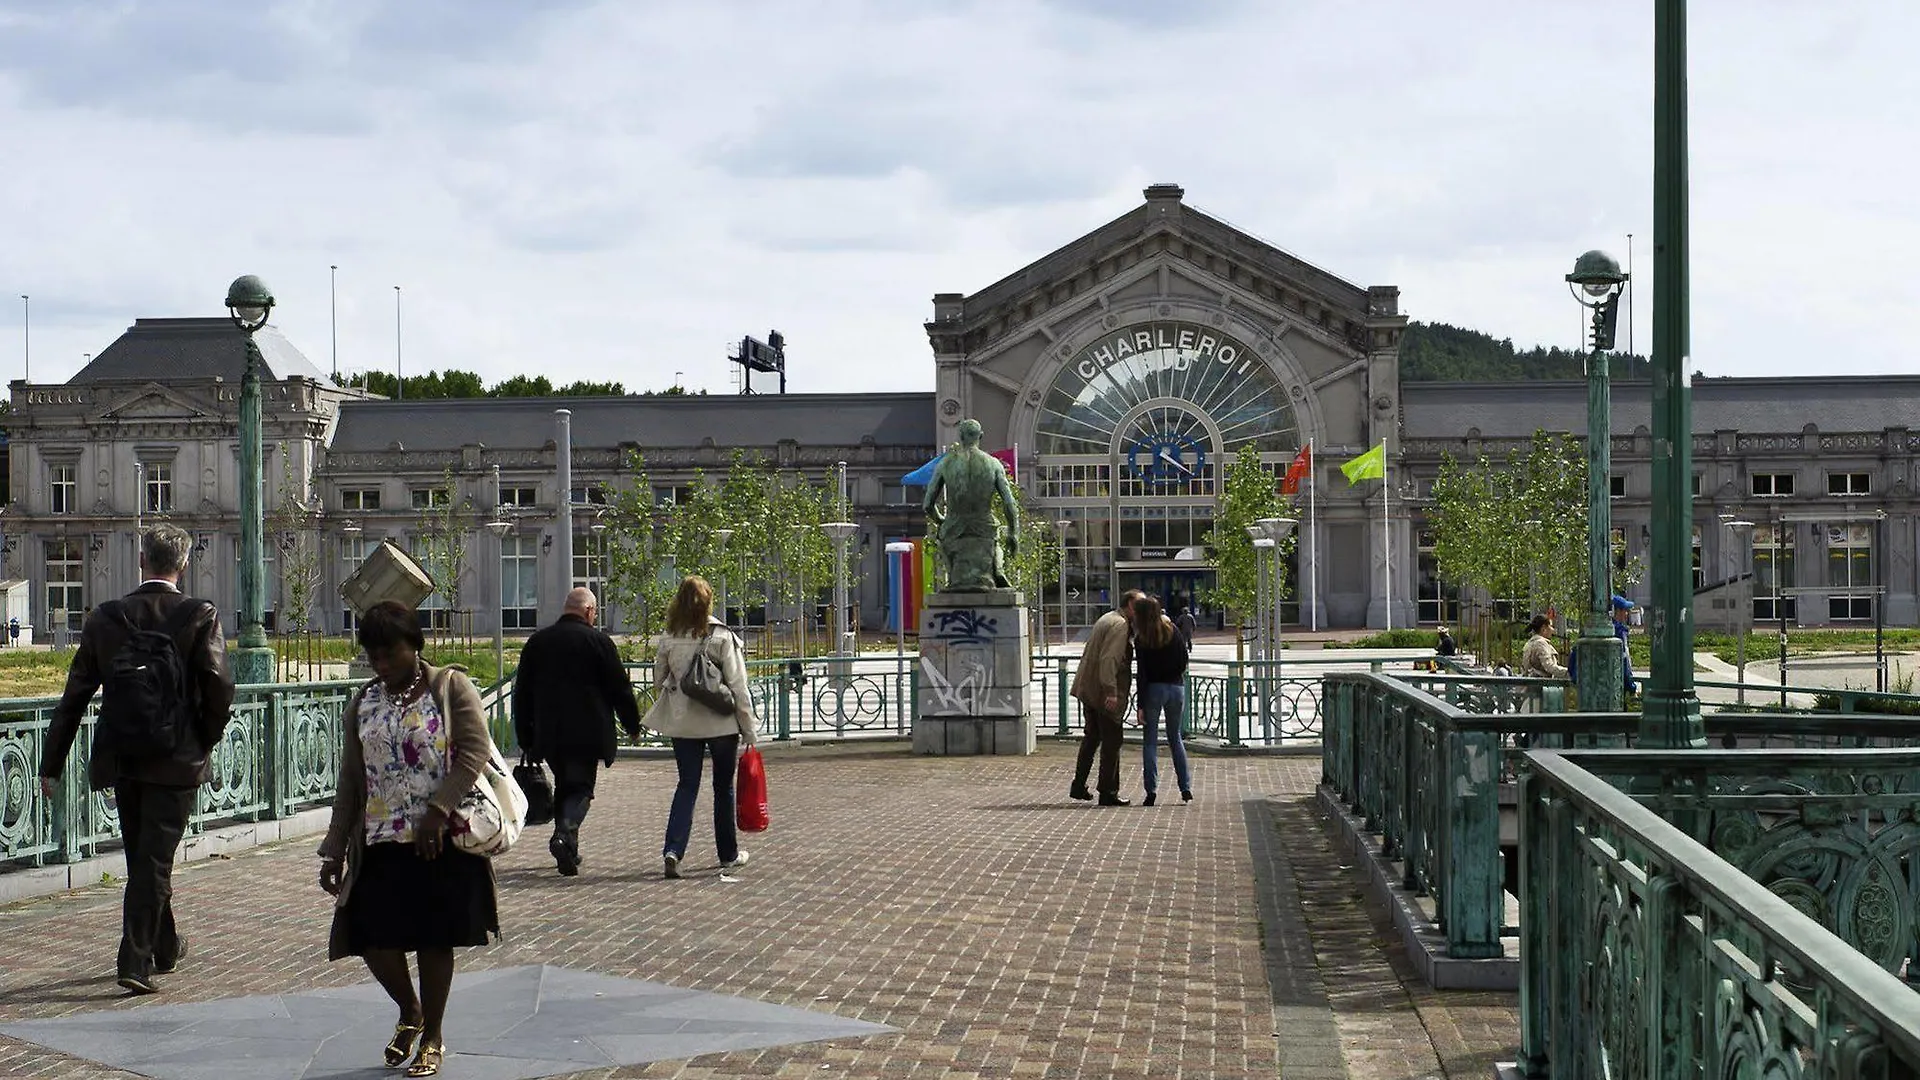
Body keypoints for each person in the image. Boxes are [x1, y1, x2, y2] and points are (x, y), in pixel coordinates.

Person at [39, 524, 234, 996]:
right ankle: (135, 959)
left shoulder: (106, 618)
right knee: (152, 862)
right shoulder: (198, 615)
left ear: (141, 560)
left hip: (124, 756)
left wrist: (52, 762)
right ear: (183, 566)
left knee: (145, 859)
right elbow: (219, 689)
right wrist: (199, 741)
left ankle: (165, 947)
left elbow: (75, 695)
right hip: (175, 761)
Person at [317, 601, 499, 1078]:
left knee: (434, 939)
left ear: (414, 645)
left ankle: (434, 1035)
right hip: (379, 839)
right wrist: (334, 850)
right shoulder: (364, 702)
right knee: (372, 937)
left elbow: (475, 750)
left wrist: (439, 809)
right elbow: (352, 782)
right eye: (374, 655)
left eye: (390, 652)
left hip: (438, 839)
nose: (382, 664)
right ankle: (410, 1011)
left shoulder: (449, 687)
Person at [512, 587, 642, 876]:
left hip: (549, 733)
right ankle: (564, 834)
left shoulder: (537, 642)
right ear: (588, 611)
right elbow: (620, 688)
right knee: (581, 788)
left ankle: (568, 851)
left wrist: (524, 734)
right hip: (588, 732)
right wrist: (632, 724)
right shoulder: (599, 642)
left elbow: (522, 693)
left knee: (565, 785)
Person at [645, 576, 758, 880]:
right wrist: (749, 729)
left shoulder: (669, 636)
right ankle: (728, 855)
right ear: (709, 601)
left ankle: (673, 850)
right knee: (723, 789)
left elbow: (658, 681)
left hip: (683, 724)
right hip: (721, 723)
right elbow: (739, 686)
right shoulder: (722, 635)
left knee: (687, 785)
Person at [1070, 589, 1143, 806]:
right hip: (1102, 693)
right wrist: (1111, 692)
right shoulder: (1120, 625)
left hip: (1089, 688)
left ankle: (1079, 785)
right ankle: (1108, 791)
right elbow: (1109, 659)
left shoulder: (1108, 618)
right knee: (1112, 741)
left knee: (1091, 738)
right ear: (1130, 605)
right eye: (1139, 606)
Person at [1131, 594, 1192, 806]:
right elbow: (1184, 659)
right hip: (1176, 687)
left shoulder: (1142, 639)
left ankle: (1151, 791)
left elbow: (1142, 673)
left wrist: (1140, 705)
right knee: (1175, 737)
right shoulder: (1172, 630)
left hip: (1153, 690)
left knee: (1150, 741)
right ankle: (1185, 788)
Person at [1518, 614, 1568, 679]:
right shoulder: (1541, 644)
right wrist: (1568, 672)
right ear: (1543, 629)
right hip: (1541, 685)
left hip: (1531, 684)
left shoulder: (1529, 643)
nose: (1553, 630)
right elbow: (1549, 667)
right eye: (1551, 626)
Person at [1611, 596, 1639, 695]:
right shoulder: (1619, 633)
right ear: (1617, 611)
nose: (1627, 614)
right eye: (1625, 610)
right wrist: (1631, 686)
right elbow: (1624, 662)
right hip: (1618, 688)